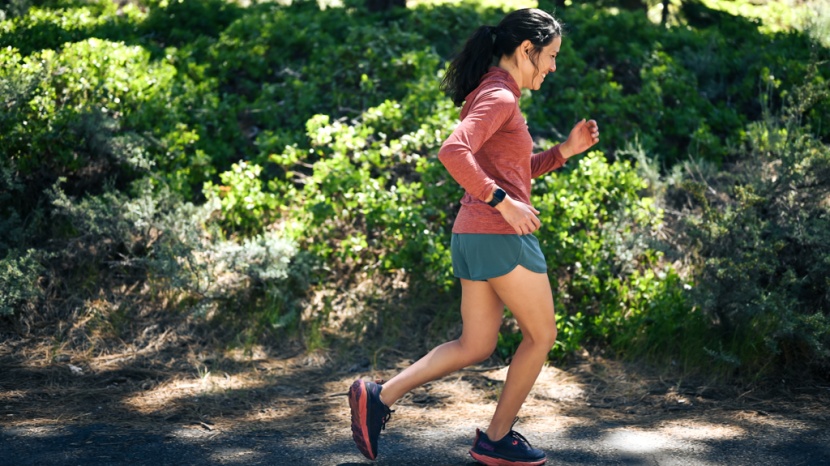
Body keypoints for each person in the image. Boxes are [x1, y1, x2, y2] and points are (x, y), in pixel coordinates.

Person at [348, 8, 599, 466]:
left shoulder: (494, 92)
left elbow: (512, 173)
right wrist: (503, 202)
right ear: (527, 50)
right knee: (541, 335)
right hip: (498, 235)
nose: (553, 66)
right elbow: (452, 151)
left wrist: (564, 151)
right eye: (551, 55)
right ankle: (497, 439)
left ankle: (379, 396)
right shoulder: (500, 95)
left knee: (476, 345)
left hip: (472, 235)